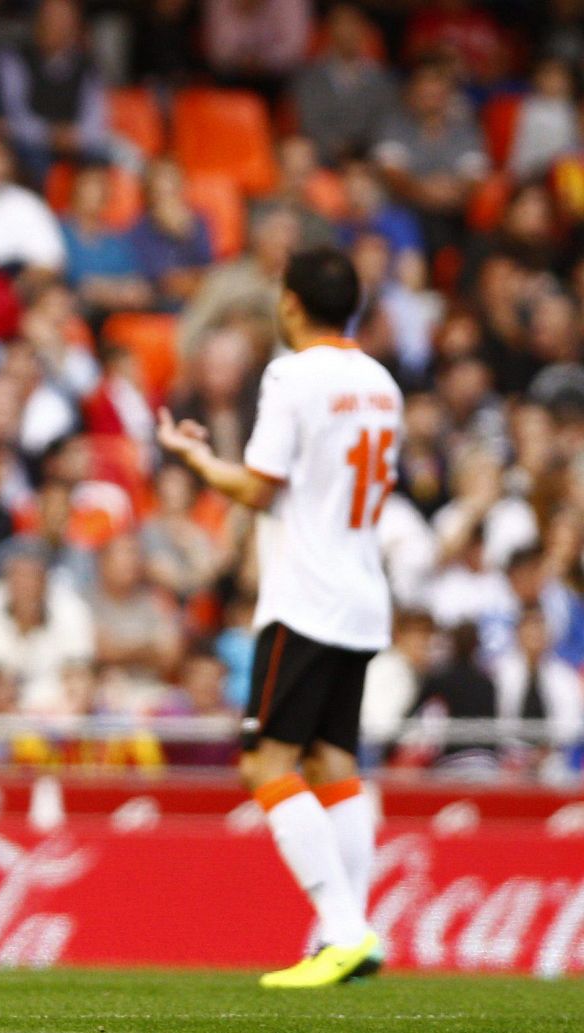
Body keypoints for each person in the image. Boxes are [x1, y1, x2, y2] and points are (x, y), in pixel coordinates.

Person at [158, 247, 402, 987]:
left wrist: (195, 461)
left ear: (290, 304)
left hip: (305, 596)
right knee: (332, 763)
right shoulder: (381, 382)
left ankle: (344, 928)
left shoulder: (292, 375)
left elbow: (259, 490)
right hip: (363, 592)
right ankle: (354, 931)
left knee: (265, 762)